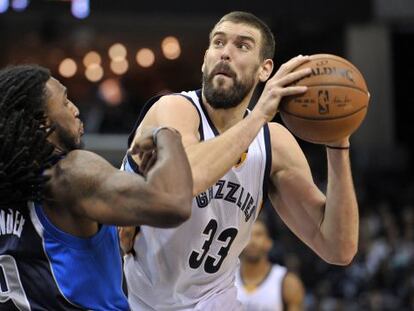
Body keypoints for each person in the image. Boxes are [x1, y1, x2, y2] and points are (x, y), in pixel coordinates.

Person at [121, 11, 359, 310]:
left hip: (215, 300)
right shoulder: (175, 108)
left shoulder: (274, 143)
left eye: (242, 46)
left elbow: (339, 249)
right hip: (138, 299)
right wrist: (260, 114)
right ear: (205, 58)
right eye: (218, 43)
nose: (226, 53)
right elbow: (186, 179)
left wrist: (337, 142)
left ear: (265, 70)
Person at [0, 65, 193, 310]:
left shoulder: (9, 182)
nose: (76, 109)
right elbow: (174, 203)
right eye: (65, 101)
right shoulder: (69, 173)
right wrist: (167, 134)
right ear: (43, 122)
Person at [235, 216, 305, 311]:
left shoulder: (287, 282)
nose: (252, 241)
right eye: (247, 235)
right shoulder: (226, 279)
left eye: (258, 235)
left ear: (269, 242)